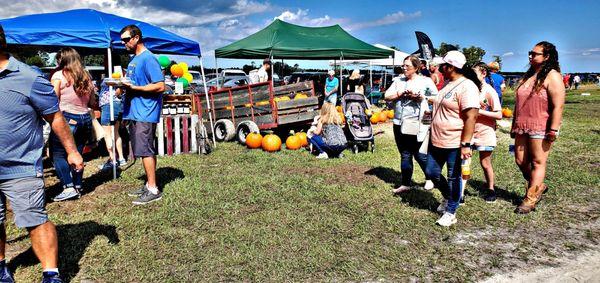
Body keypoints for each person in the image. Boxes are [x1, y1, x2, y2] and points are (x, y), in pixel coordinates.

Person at [0, 23, 83, 283]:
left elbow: (55, 117)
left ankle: (51, 273)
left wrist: (72, 152)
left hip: (20, 164)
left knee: (34, 218)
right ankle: (1, 267)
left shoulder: (29, 77)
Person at [425, 50, 480, 227]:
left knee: (453, 177)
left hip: (455, 141)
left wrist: (465, 144)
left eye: (443, 64)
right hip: (437, 139)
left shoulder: (467, 86)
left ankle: (451, 211)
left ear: (451, 67)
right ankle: (448, 197)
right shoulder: (448, 84)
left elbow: (471, 117)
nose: (440, 67)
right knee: (431, 172)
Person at [511, 41, 565, 214]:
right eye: (530, 53)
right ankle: (538, 185)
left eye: (535, 54)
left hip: (541, 125)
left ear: (547, 57)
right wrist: (514, 123)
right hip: (522, 125)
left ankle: (530, 199)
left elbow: (558, 105)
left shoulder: (553, 76)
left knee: (538, 161)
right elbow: (518, 103)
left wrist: (554, 129)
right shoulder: (528, 75)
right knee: (520, 160)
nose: (530, 56)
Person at [119, 25, 166, 205]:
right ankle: (148, 184)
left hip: (146, 112)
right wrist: (122, 88)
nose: (123, 43)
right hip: (134, 111)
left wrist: (135, 88)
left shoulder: (148, 59)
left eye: (126, 39)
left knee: (145, 149)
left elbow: (160, 86)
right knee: (142, 149)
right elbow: (132, 84)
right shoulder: (134, 60)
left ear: (136, 38)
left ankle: (153, 189)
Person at [384, 55, 437, 193]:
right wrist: (400, 94)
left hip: (419, 122)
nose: (404, 68)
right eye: (403, 65)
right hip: (399, 122)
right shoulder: (398, 81)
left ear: (416, 67)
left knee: (419, 153)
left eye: (407, 66)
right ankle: (405, 184)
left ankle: (430, 178)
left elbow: (436, 98)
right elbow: (386, 96)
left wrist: (421, 97)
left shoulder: (425, 81)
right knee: (405, 154)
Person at [49, 47, 96, 201]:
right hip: (85, 118)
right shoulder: (86, 76)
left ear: (63, 59)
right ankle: (78, 185)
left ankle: (68, 187)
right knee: (78, 153)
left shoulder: (59, 75)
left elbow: (52, 99)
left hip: (66, 118)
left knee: (58, 154)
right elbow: (92, 102)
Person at [470, 62, 503, 203]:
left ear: (483, 73)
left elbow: (499, 114)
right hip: (469, 131)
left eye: (475, 73)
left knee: (485, 163)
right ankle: (460, 191)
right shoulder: (470, 89)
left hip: (484, 132)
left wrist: (480, 112)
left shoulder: (489, 91)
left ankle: (491, 189)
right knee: (464, 162)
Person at [97, 56, 127, 171]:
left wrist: (117, 90)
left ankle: (113, 160)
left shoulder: (116, 73)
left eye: (105, 59)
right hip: (116, 105)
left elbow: (119, 91)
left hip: (109, 105)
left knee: (107, 134)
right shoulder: (116, 72)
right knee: (115, 133)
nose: (103, 61)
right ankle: (121, 158)